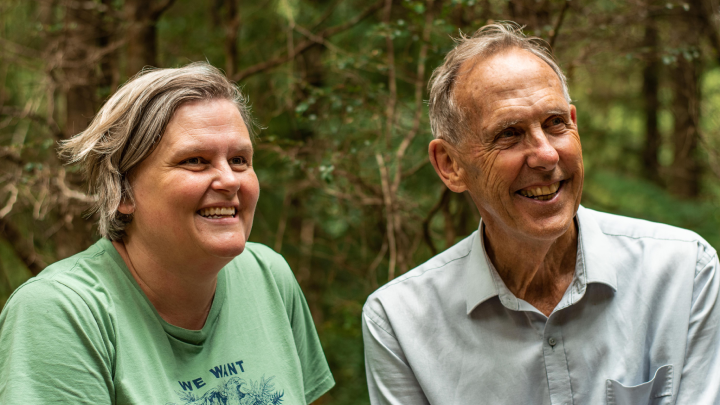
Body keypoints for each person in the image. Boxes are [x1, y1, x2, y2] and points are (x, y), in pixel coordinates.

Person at [362, 22, 719, 404]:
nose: (547, 154)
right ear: (450, 164)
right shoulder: (400, 321)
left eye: (555, 124)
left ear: (575, 125)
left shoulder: (683, 271)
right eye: (509, 134)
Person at [0, 62, 334, 404]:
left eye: (239, 160)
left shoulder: (268, 276)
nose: (231, 180)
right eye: (195, 160)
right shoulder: (62, 312)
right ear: (124, 192)